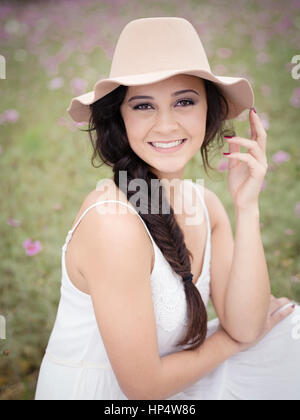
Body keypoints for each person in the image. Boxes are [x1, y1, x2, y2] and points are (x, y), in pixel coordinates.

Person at [35, 17, 300, 400]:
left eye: (184, 101)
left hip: (173, 380)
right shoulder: (113, 224)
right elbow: (144, 388)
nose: (165, 124)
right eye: (143, 105)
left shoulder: (205, 205)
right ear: (119, 119)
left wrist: (248, 207)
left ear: (208, 109)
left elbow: (246, 325)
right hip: (106, 395)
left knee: (289, 335)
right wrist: (228, 345)